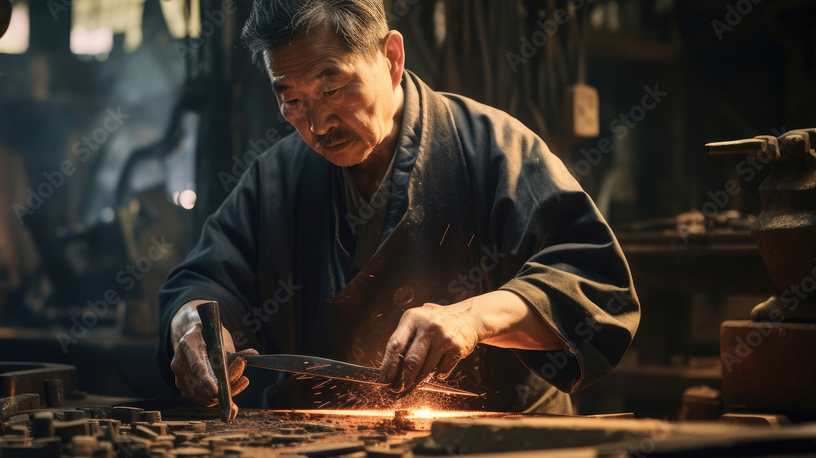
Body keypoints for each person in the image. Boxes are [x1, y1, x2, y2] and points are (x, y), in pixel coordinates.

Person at [157, 0, 640, 415]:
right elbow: (203, 281)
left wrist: (472, 319)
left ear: (390, 57)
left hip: (498, 452)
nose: (319, 124)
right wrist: (193, 325)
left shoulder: (490, 147)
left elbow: (597, 287)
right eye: (294, 100)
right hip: (319, 451)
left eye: (332, 88)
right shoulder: (277, 177)